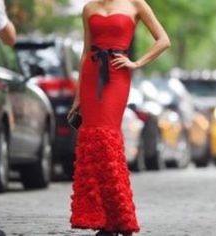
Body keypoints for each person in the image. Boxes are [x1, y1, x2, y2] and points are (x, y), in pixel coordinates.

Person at [67, 0, 171, 235]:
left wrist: (135, 63)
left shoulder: (136, 3)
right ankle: (103, 219)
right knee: (92, 143)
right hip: (92, 76)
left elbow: (164, 40)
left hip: (117, 75)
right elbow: (86, 52)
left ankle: (118, 217)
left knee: (106, 140)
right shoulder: (89, 8)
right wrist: (78, 97)